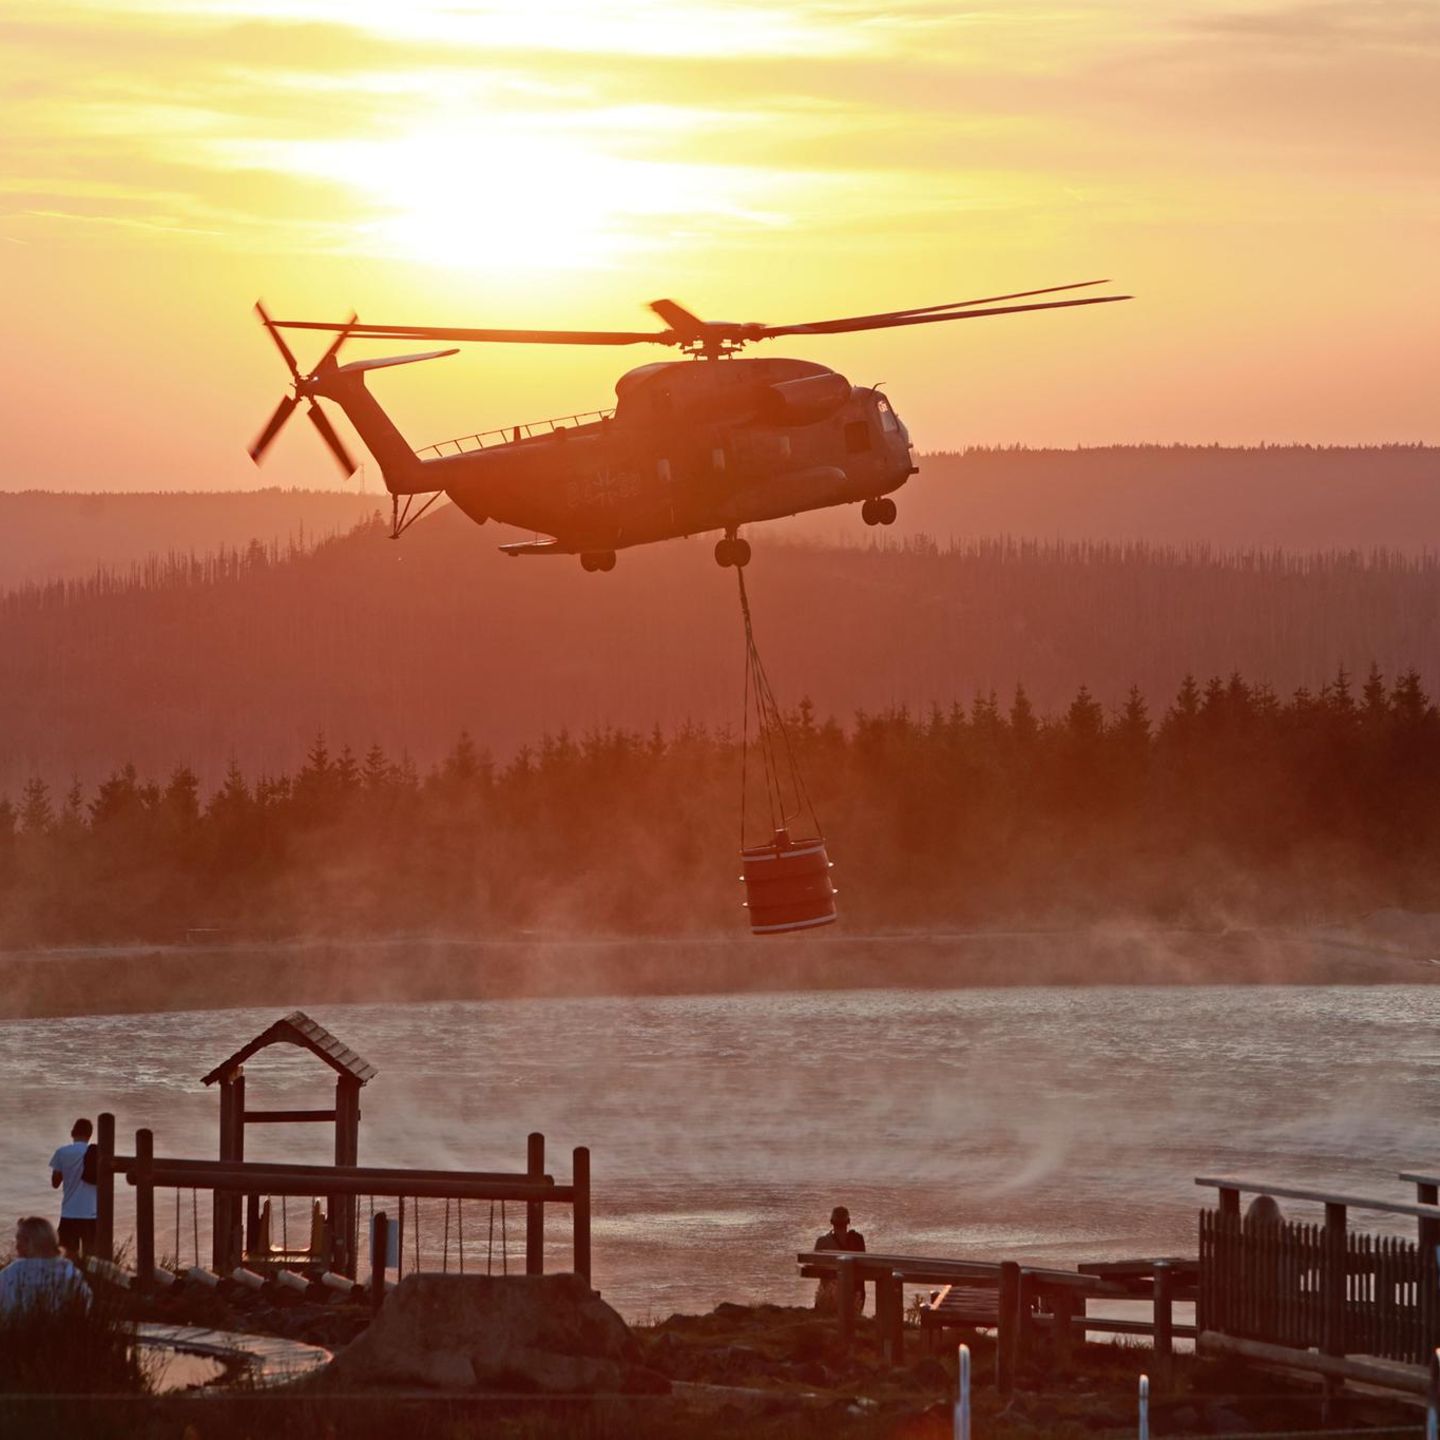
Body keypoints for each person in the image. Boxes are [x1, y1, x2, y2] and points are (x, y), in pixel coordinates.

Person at [0, 1216, 91, 1316]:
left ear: (29, 1243)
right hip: (63, 1328)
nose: (16, 1246)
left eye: (19, 1241)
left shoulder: (13, 1272)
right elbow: (85, 1303)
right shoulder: (70, 1271)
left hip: (18, 1328)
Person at [49, 1118, 97, 1260]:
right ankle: (91, 1281)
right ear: (90, 1135)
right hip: (92, 1213)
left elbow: (55, 1183)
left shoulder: (62, 1152)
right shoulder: (96, 1153)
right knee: (92, 1257)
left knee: (69, 1256)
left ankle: (71, 1280)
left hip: (69, 1212)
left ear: (72, 1133)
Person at [813, 1205, 866, 1314]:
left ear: (831, 1221)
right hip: (854, 1296)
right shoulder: (857, 1241)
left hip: (828, 1296)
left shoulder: (822, 1242)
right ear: (849, 1221)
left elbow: (815, 1265)